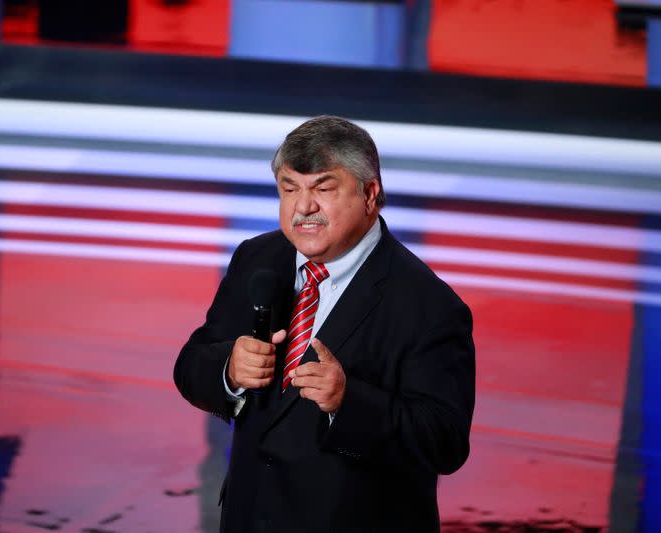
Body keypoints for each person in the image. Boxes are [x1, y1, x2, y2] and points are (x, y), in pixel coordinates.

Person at [174, 116, 475, 533]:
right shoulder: (256, 259)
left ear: (370, 194)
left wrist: (347, 402)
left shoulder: (430, 305)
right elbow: (190, 367)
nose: (303, 208)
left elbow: (444, 443)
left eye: (323, 189)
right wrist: (229, 371)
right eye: (289, 188)